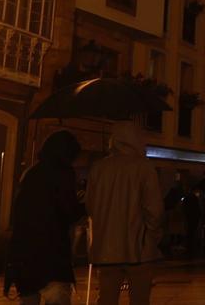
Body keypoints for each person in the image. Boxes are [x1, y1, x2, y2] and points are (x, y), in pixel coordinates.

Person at [85, 121, 163, 305]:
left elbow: (90, 206)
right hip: (139, 250)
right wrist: (151, 237)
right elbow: (155, 211)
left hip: (106, 249)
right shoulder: (145, 168)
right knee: (139, 299)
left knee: (107, 298)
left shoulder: (98, 168)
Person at [6, 130, 86, 305]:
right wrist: (84, 205)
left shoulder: (30, 173)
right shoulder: (64, 173)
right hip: (52, 257)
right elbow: (68, 212)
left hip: (25, 257)